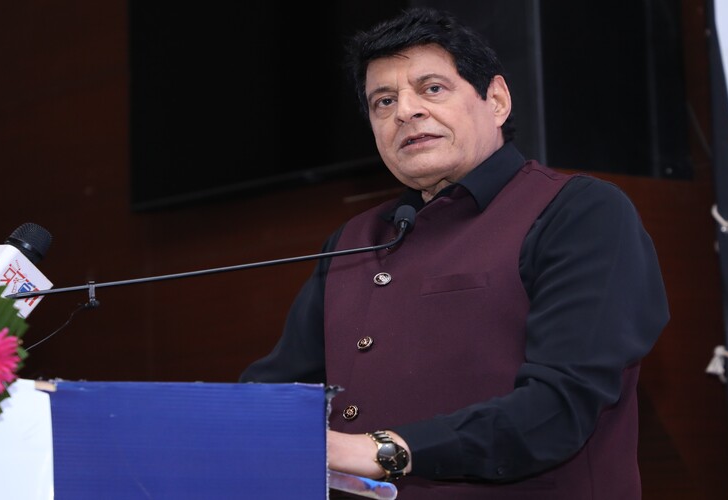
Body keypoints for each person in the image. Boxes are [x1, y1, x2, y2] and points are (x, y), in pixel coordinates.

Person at [239, 6, 669, 499]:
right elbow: (277, 393)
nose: (405, 112)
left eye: (432, 88)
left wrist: (382, 451)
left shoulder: (578, 212)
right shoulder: (352, 240)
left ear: (497, 100)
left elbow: (558, 407)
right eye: (383, 101)